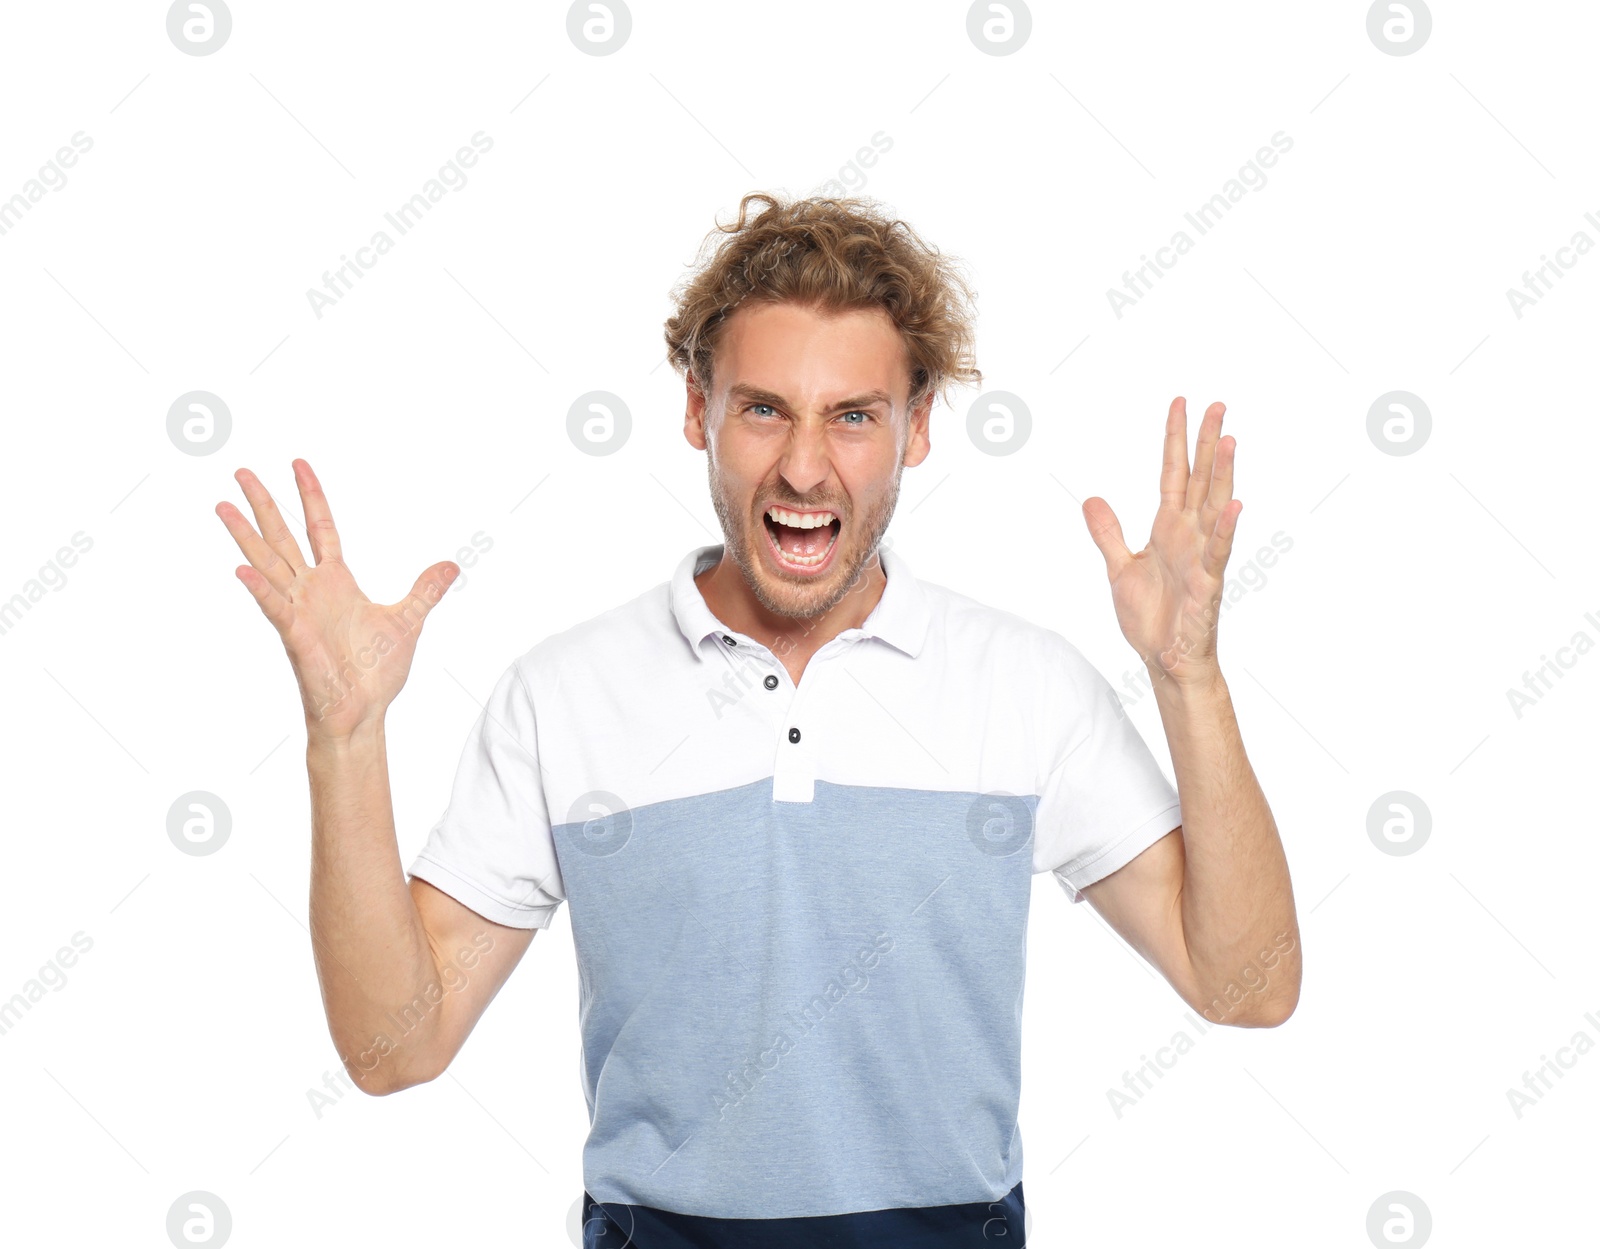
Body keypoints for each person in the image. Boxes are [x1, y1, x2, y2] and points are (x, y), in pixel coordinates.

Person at [215, 191, 1300, 1247]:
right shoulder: (565, 695)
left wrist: (1188, 676)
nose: (803, 465)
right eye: (764, 407)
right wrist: (345, 740)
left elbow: (1244, 985)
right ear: (699, 410)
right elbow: (388, 1048)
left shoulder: (1023, 685)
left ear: (917, 426)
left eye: (854, 416)